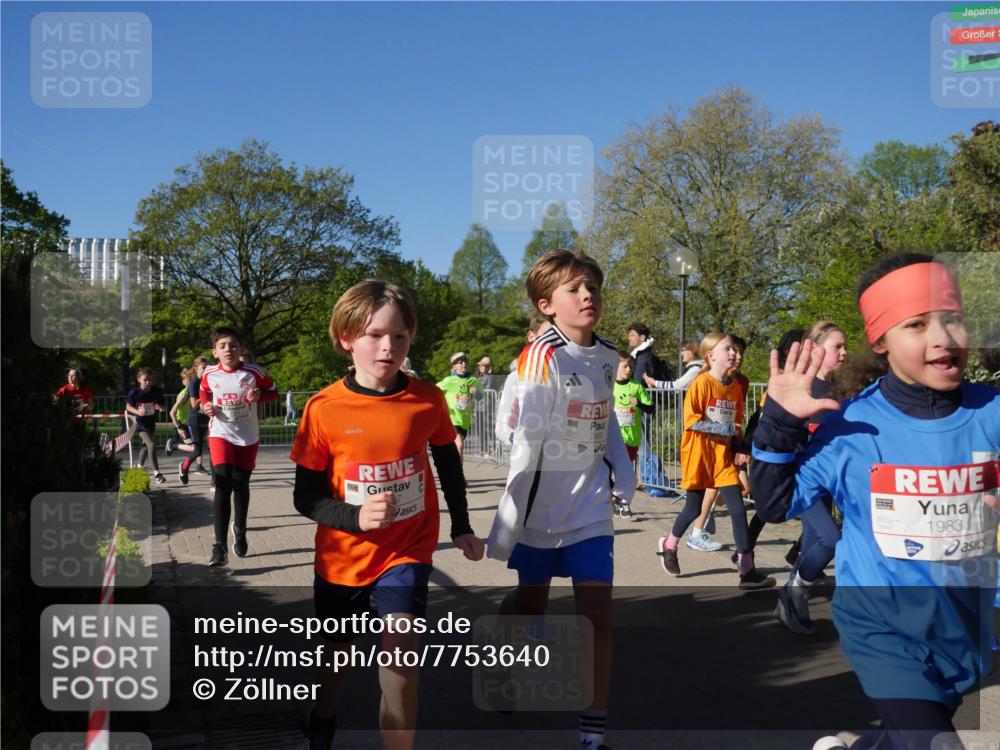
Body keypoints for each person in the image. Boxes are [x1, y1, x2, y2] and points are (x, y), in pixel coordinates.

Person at [751, 253, 999, 750]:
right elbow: (776, 503)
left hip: (965, 624)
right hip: (881, 625)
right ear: (881, 341)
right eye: (917, 324)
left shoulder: (992, 413)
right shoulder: (852, 427)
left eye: (953, 319)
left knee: (911, 735)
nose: (944, 337)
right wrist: (779, 421)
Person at [291, 279, 484, 750]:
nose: (388, 346)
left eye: (399, 336)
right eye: (375, 335)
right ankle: (324, 715)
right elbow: (304, 498)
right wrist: (355, 518)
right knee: (338, 663)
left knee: (400, 664)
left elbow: (447, 460)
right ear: (346, 338)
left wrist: (460, 525)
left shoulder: (426, 398)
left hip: (407, 550)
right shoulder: (323, 408)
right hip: (342, 559)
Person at [488, 249, 635, 750]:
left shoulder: (609, 355)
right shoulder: (539, 357)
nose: (587, 295)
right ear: (547, 305)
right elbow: (511, 431)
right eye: (574, 289)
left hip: (590, 509)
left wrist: (624, 471)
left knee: (597, 619)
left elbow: (606, 416)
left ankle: (592, 738)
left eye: (591, 286)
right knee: (531, 605)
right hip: (541, 510)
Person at [655, 333, 775, 590]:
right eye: (727, 349)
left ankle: (746, 569)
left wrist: (739, 446)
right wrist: (728, 429)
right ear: (711, 355)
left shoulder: (734, 387)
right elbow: (692, 422)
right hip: (699, 454)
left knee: (738, 509)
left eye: (735, 349)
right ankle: (669, 544)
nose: (734, 353)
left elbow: (739, 424)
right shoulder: (701, 383)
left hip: (723, 458)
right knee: (694, 509)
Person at [773, 321, 847, 636]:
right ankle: (794, 590)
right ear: (815, 349)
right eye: (837, 347)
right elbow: (775, 428)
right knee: (832, 539)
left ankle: (791, 601)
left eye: (846, 346)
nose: (845, 352)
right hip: (801, 480)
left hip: (827, 478)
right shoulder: (799, 385)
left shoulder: (838, 388)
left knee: (810, 543)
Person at [200, 327, 278, 567]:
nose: (228, 350)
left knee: (241, 484)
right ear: (215, 352)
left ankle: (240, 529)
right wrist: (206, 406)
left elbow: (273, 392)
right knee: (222, 483)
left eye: (233, 345)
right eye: (222, 346)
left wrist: (259, 397)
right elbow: (204, 392)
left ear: (241, 350)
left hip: (247, 437)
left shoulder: (254, 372)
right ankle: (219, 547)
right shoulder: (210, 373)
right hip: (220, 433)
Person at [495, 312, 551, 446]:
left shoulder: (572, 375)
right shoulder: (516, 378)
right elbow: (502, 426)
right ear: (531, 336)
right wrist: (519, 442)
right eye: (548, 336)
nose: (554, 343)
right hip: (530, 460)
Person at [627, 322, 669, 497]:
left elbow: (638, 383)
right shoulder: (640, 356)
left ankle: (655, 482)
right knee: (640, 443)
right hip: (640, 404)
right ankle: (649, 479)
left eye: (632, 335)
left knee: (643, 444)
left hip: (641, 405)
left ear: (642, 338)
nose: (629, 338)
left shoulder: (644, 358)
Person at [612, 353, 652, 518]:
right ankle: (616, 499)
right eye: (625, 366)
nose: (628, 370)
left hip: (631, 439)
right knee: (607, 472)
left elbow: (651, 408)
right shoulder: (609, 386)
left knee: (627, 473)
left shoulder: (636, 386)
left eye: (631, 367)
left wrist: (640, 404)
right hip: (613, 438)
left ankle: (623, 501)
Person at [125, 367, 166, 485]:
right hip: (140, 424)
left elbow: (163, 407)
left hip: (151, 423)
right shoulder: (135, 393)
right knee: (151, 445)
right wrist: (138, 412)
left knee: (145, 447)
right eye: (145, 380)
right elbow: (128, 407)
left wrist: (160, 408)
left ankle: (138, 468)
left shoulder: (156, 391)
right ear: (139, 380)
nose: (148, 382)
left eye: (150, 380)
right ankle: (157, 473)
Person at [436, 353, 482, 458]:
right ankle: (458, 474)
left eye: (465, 361)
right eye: (460, 362)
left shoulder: (473, 380)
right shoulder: (448, 381)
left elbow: (480, 398)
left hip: (465, 421)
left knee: (456, 448)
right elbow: (433, 391)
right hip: (452, 419)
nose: (464, 364)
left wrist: (476, 392)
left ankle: (454, 470)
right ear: (454, 366)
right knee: (459, 445)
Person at [164, 368, 207, 473]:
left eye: (193, 377)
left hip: (192, 422)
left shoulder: (196, 392)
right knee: (194, 448)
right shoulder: (185, 394)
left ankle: (199, 466)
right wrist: (178, 427)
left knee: (199, 444)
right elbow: (172, 412)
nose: (193, 380)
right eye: (190, 378)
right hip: (183, 424)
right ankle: (173, 445)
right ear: (184, 382)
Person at [179, 356, 212, 485]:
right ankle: (184, 467)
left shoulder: (211, 380)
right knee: (197, 450)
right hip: (196, 420)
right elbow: (193, 404)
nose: (207, 370)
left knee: (213, 448)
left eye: (209, 367)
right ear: (196, 369)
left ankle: (215, 481)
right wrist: (205, 396)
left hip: (209, 418)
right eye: (204, 368)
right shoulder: (194, 383)